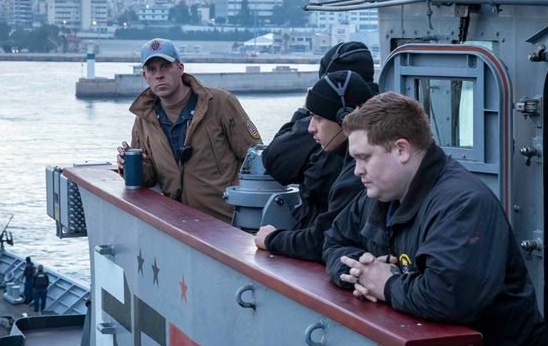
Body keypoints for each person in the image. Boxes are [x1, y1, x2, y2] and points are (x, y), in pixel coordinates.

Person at [322, 92, 548, 346]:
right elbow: (333, 241)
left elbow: (448, 296)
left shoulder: (460, 202)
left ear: (401, 149)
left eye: (363, 158)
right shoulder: (382, 196)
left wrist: (386, 284)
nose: (357, 170)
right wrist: (360, 270)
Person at [116, 38, 262, 223]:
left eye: (165, 67)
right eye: (152, 70)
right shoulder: (143, 118)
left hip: (227, 224)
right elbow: (149, 177)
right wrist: (127, 165)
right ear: (145, 76)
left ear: (180, 68)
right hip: (178, 225)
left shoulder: (218, 102)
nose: (159, 75)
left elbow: (255, 156)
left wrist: (251, 215)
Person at [254, 71, 373, 263]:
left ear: (346, 119)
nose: (311, 128)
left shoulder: (357, 174)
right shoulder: (345, 159)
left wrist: (272, 239)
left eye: (318, 118)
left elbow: (322, 240)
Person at [262, 41, 378, 186]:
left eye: (317, 117)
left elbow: (275, 161)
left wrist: (305, 110)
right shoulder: (382, 118)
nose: (312, 127)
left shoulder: (328, 121)